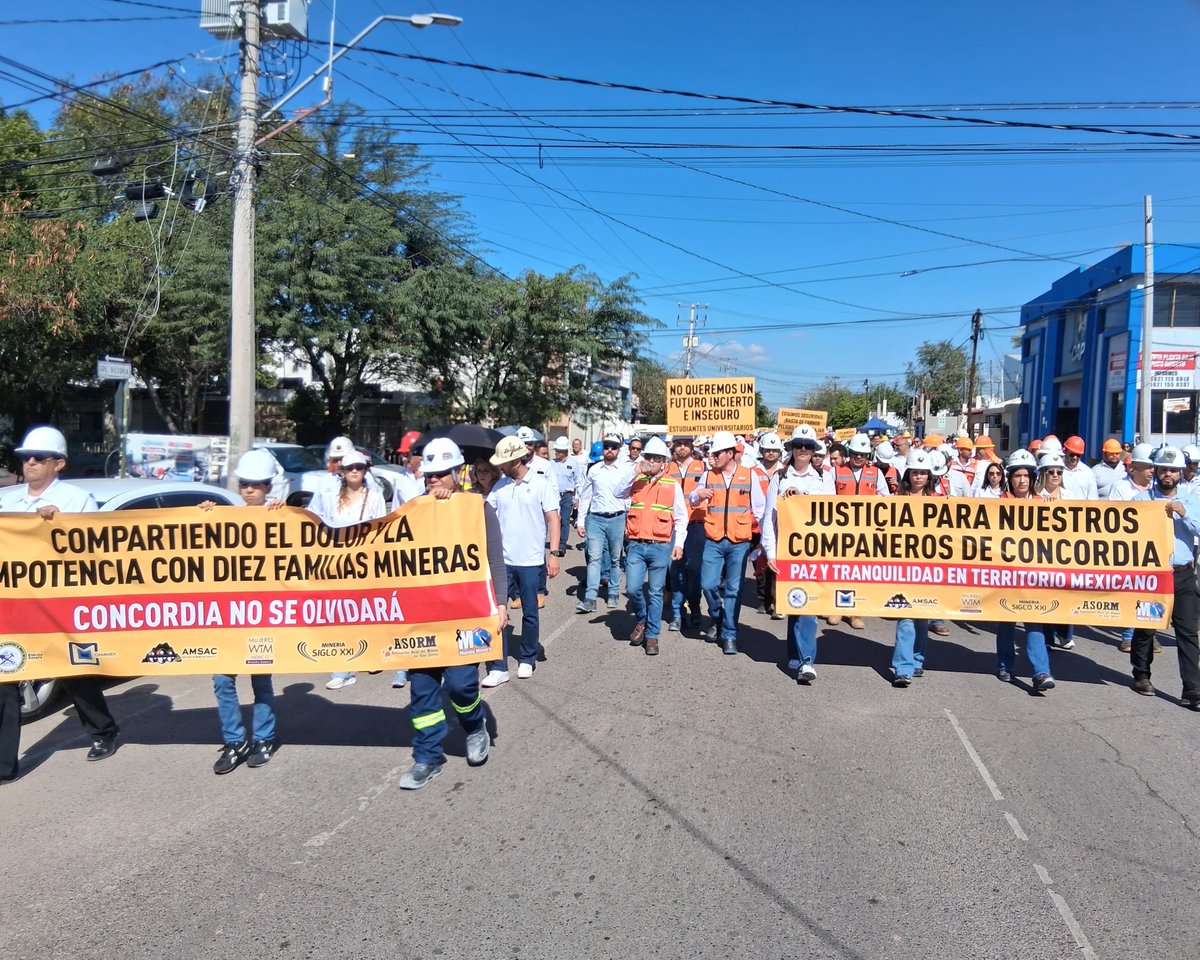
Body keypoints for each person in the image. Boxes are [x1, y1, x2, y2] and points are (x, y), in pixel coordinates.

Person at [0, 426, 120, 784]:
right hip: (16, 606)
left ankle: (104, 730)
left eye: (38, 457)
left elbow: (98, 549)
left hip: (59, 606)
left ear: (59, 463)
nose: (30, 463)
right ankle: (5, 765)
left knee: (73, 672)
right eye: (25, 457)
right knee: (7, 677)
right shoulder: (8, 500)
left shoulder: (76, 500)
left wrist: (63, 527)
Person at [399, 438, 506, 789]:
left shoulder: (476, 508)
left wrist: (501, 605)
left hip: (465, 617)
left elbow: (494, 559)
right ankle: (427, 756)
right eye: (429, 475)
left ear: (457, 473)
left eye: (441, 474)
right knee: (422, 689)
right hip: (422, 620)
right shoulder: (411, 510)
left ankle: (475, 726)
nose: (433, 481)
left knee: (461, 685)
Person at [198, 449, 286, 774]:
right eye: (245, 484)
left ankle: (264, 738)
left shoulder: (279, 515)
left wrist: (282, 512)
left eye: (257, 484)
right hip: (227, 618)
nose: (249, 490)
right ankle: (235, 741)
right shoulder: (226, 516)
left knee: (260, 682)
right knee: (222, 680)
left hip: (261, 618)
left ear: (267, 486)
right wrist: (206, 514)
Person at [482, 436, 560, 685]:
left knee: (530, 612)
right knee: (498, 611)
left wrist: (554, 554)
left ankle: (527, 659)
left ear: (515, 459)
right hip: (501, 561)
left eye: (503, 462)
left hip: (531, 560)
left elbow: (553, 519)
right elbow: (485, 513)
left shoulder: (540, 484)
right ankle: (499, 666)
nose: (500, 467)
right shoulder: (500, 486)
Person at [1129, 445, 1200, 707]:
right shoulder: (1140, 501)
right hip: (1152, 575)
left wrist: (1185, 514)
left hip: (1182, 574)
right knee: (1146, 628)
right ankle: (1141, 675)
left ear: (1181, 473)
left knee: (1188, 632)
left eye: (1173, 470)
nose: (1168, 474)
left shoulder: (1192, 500)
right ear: (1155, 471)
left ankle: (1192, 687)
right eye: (1163, 469)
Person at [315, 450, 391, 691]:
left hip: (364, 562)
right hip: (335, 562)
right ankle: (341, 669)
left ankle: (365, 655)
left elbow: (381, 530)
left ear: (366, 469)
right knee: (337, 615)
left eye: (359, 466)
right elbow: (314, 518)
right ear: (342, 472)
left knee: (363, 613)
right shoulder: (329, 496)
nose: (355, 471)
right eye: (350, 468)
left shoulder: (375, 496)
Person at [761, 426, 831, 683]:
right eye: (799, 445)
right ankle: (795, 653)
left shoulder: (824, 478)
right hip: (786, 551)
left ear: (814, 450)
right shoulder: (778, 477)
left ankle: (806, 661)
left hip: (814, 552)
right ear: (791, 448)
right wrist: (770, 552)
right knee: (795, 603)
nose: (803, 450)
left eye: (808, 446)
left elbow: (832, 510)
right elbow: (768, 518)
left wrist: (804, 498)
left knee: (809, 606)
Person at [690, 431, 767, 654]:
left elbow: (759, 509)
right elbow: (693, 499)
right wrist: (699, 494)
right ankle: (717, 615)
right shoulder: (708, 475)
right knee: (708, 584)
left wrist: (761, 540)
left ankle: (730, 634)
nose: (713, 456)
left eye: (717, 453)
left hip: (739, 542)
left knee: (734, 589)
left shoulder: (749, 475)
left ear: (730, 453)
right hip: (713, 539)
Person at [616, 437, 687, 656]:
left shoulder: (672, 485)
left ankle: (652, 635)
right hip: (636, 544)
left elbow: (681, 517)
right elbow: (617, 492)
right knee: (633, 588)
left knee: (656, 593)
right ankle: (642, 619)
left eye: (656, 459)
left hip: (660, 546)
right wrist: (634, 471)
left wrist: (679, 544)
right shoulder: (636, 480)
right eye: (648, 457)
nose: (651, 462)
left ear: (664, 462)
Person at [993, 449, 1056, 692]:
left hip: (1034, 575)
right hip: (1007, 574)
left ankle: (1041, 672)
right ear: (1010, 478)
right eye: (1017, 476)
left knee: (1034, 622)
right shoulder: (1001, 503)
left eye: (1026, 476)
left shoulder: (1042, 505)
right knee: (1007, 622)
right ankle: (1004, 664)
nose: (1022, 480)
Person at [830, 432, 888, 630]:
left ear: (868, 455)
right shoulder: (835, 471)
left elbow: (885, 498)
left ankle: (855, 613)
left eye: (863, 454)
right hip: (840, 529)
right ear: (850, 452)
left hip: (865, 531)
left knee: (858, 572)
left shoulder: (876, 473)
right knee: (838, 570)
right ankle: (836, 608)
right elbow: (826, 498)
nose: (859, 457)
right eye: (855, 453)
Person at [891, 451, 939, 687]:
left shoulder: (940, 501)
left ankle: (918, 659)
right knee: (906, 617)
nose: (918, 476)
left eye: (923, 472)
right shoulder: (895, 499)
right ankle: (903, 667)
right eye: (915, 472)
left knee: (922, 618)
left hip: (929, 569)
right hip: (903, 567)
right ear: (907, 474)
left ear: (929, 476)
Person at [575, 434, 633, 614]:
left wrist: (628, 521)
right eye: (607, 446)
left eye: (613, 447)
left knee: (616, 559)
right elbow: (585, 496)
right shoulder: (594, 469)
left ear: (619, 449)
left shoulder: (626, 470)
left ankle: (613, 593)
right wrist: (580, 520)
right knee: (594, 558)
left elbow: (630, 497)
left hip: (617, 518)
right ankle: (590, 598)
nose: (609, 449)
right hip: (596, 519)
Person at [665, 435, 707, 631]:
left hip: (696, 524)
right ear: (674, 447)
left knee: (695, 570)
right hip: (672, 525)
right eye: (679, 444)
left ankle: (695, 605)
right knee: (675, 570)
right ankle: (677, 613)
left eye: (686, 444)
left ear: (691, 446)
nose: (682, 448)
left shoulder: (704, 467)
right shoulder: (666, 467)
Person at [751, 432, 787, 617]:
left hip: (781, 523)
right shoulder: (753, 472)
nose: (771, 453)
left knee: (777, 562)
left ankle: (776, 600)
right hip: (758, 524)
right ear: (762, 451)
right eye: (768, 450)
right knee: (760, 564)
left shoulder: (786, 472)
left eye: (774, 450)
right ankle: (763, 599)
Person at [549, 436, 579, 560]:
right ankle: (554, 543)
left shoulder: (573, 464)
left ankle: (562, 545)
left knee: (565, 520)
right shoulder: (551, 464)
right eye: (556, 450)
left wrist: (577, 498)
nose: (557, 453)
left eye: (559, 451)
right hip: (554, 495)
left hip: (567, 496)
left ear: (565, 451)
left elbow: (578, 482)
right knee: (554, 519)